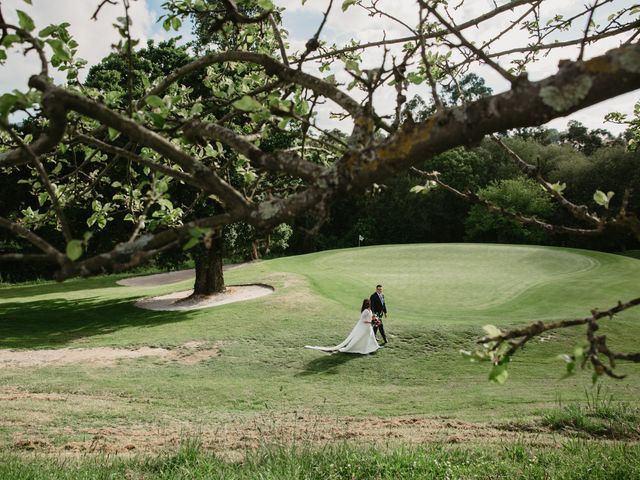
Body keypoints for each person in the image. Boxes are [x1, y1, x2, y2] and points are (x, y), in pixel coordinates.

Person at [305, 299, 380, 354]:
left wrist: (374, 318)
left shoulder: (369, 310)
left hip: (368, 326)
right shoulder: (365, 311)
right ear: (367, 304)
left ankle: (373, 346)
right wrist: (371, 321)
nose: (370, 304)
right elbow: (362, 320)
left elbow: (370, 317)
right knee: (364, 337)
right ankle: (363, 348)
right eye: (369, 303)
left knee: (370, 336)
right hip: (365, 326)